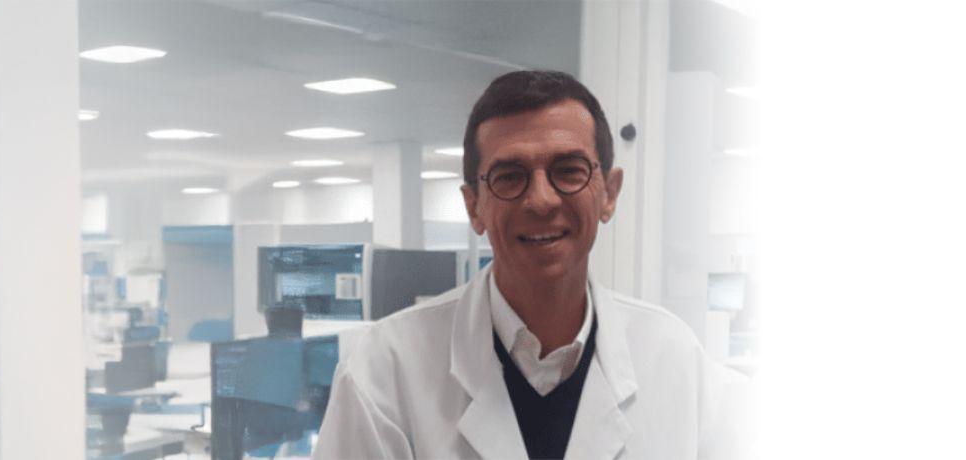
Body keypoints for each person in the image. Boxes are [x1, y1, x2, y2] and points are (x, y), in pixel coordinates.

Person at [313, 70, 750, 459]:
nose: (541, 199)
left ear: (609, 194)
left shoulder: (676, 362)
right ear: (474, 207)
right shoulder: (385, 372)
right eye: (509, 176)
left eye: (569, 170)